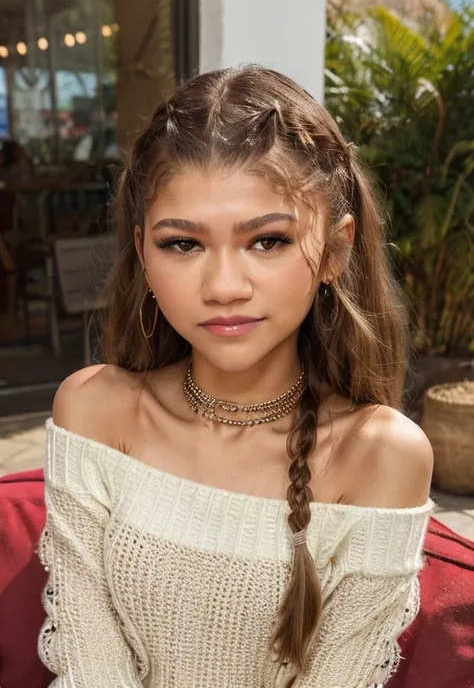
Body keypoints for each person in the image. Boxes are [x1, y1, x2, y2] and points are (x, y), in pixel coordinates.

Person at [38, 66, 434, 688]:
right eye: (183, 245)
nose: (224, 287)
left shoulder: (379, 453)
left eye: (268, 241)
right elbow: (88, 661)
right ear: (142, 251)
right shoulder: (95, 410)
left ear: (334, 251)